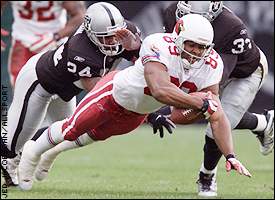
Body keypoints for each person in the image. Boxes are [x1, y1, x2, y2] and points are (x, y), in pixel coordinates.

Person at [18, 13, 251, 191]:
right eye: (191, 44)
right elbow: (160, 90)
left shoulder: (213, 65)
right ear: (178, 37)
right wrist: (198, 102)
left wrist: (230, 155)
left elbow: (214, 112)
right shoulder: (158, 44)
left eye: (202, 47)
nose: (195, 52)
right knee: (72, 128)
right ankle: (32, 152)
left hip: (137, 113)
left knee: (92, 136)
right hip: (114, 93)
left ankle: (51, 154)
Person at [1, 2, 142, 187]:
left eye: (115, 35)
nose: (112, 42)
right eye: (105, 38)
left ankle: (36, 153)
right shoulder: (81, 51)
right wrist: (144, 112)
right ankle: (13, 159)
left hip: (67, 89)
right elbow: (101, 91)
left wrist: (137, 48)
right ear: (91, 34)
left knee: (72, 132)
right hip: (39, 82)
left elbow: (149, 64)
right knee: (12, 143)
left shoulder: (126, 32)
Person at [150, 1, 273, 197]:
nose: (195, 23)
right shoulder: (171, 12)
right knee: (214, 111)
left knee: (214, 115)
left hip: (244, 71)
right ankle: (262, 123)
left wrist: (164, 110)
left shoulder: (231, 27)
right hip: (200, 65)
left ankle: (207, 175)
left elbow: (213, 86)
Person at [1, 1, 86, 87]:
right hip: (23, 43)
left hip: (55, 46)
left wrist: (57, 36)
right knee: (20, 89)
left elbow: (80, 16)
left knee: (59, 93)